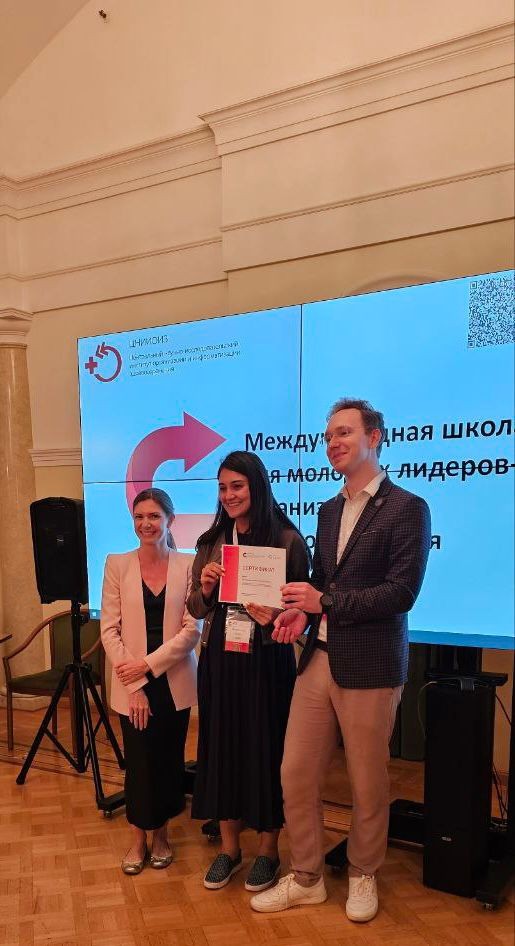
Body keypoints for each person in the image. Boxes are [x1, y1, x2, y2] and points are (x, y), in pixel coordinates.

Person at [251, 398, 431, 922]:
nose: (333, 443)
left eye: (345, 432)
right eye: (329, 435)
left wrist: (323, 602)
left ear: (375, 437)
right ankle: (307, 876)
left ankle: (363, 872)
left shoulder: (407, 508)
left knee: (367, 781)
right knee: (295, 772)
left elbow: (401, 593)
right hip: (319, 660)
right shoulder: (329, 510)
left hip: (372, 666)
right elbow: (324, 583)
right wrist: (300, 614)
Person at [187, 451, 311, 893]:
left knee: (266, 748)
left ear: (256, 486)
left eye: (237, 486)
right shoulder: (211, 540)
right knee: (222, 747)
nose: (229, 495)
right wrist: (206, 588)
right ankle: (228, 848)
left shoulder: (288, 540)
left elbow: (303, 613)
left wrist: (276, 615)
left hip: (268, 661)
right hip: (221, 660)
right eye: (222, 488)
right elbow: (195, 607)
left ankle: (268, 851)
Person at [101, 487, 201, 874]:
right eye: (140, 516)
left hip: (173, 680)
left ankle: (161, 836)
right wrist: (136, 683)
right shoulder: (117, 564)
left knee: (167, 761)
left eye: (154, 516)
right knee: (140, 763)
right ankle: (138, 839)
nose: (146, 523)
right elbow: (109, 631)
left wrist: (147, 666)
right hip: (131, 683)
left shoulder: (188, 564)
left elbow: (192, 631)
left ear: (170, 520)